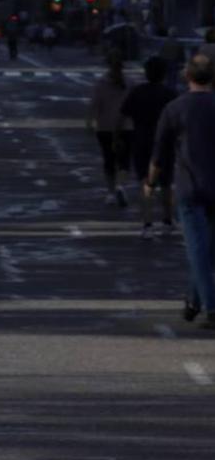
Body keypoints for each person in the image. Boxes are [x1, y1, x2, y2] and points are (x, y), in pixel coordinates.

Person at [148, 54, 215, 327]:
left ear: (187, 76)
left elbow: (159, 153)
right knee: (207, 250)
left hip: (189, 187)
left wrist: (149, 183)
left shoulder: (174, 108)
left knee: (198, 249)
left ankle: (210, 307)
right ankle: (193, 300)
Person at [121, 56, 180, 239]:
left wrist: (120, 136)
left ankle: (147, 223)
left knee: (145, 182)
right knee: (166, 183)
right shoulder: (170, 94)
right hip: (165, 143)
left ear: (146, 73)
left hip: (141, 141)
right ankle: (168, 221)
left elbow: (124, 114)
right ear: (163, 74)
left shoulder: (137, 92)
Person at [88, 54, 132, 208]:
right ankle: (121, 185)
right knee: (124, 161)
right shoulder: (129, 82)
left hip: (105, 127)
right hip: (126, 126)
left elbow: (95, 104)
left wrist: (89, 122)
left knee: (109, 160)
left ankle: (111, 192)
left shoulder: (101, 83)